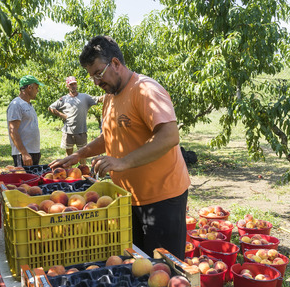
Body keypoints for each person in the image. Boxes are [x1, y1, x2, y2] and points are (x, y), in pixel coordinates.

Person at [49, 35, 191, 259]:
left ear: (115, 63)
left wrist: (123, 162)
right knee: (138, 265)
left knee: (165, 271)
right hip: (127, 198)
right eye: (92, 77)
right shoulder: (110, 98)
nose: (96, 81)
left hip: (161, 199)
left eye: (98, 73)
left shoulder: (145, 90)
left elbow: (169, 136)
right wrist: (79, 154)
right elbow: (109, 137)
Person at [48, 76, 101, 165]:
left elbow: (98, 99)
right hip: (68, 131)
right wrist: (61, 115)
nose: (73, 86)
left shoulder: (84, 97)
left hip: (81, 131)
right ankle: (69, 172)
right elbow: (51, 107)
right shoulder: (64, 99)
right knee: (69, 155)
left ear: (76, 84)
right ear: (67, 86)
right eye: (71, 84)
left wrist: (109, 95)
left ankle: (83, 173)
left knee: (83, 154)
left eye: (74, 84)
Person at [7, 75, 44, 166]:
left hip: (33, 151)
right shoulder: (16, 104)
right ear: (29, 88)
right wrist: (24, 153)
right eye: (36, 88)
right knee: (24, 179)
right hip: (23, 153)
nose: (37, 90)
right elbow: (13, 131)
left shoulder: (28, 104)